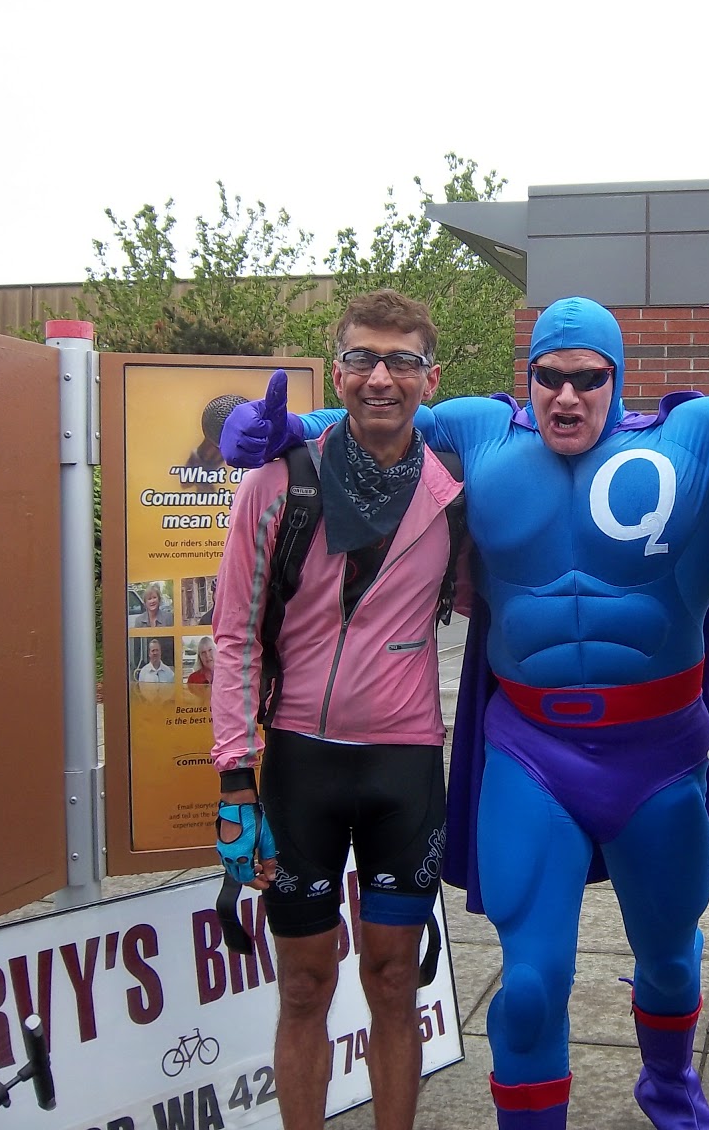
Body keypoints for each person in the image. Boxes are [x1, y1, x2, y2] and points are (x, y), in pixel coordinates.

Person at [221, 295, 709, 1129]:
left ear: (617, 377)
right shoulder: (482, 433)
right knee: (528, 986)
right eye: (549, 377)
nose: (567, 395)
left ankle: (668, 1084)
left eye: (589, 378)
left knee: (671, 961)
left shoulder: (696, 435)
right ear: (528, 378)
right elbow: (379, 411)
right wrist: (280, 429)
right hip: (532, 753)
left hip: (659, 756)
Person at [210, 289, 465, 1130]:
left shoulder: (454, 493)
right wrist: (234, 777)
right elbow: (235, 634)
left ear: (431, 377)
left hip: (404, 766)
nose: (380, 378)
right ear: (338, 369)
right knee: (303, 985)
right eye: (361, 358)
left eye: (401, 361)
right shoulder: (280, 482)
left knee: (394, 982)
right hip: (300, 765)